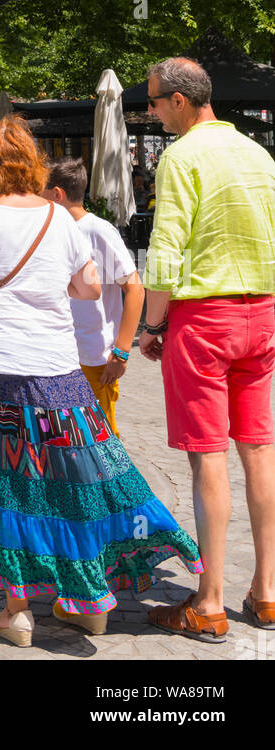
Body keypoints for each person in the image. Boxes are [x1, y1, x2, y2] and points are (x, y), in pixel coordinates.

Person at [0, 116, 202, 648]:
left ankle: (18, 612)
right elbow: (91, 287)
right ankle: (87, 602)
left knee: (13, 482)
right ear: (33, 163)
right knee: (76, 473)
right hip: (56, 368)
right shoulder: (59, 217)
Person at [140, 58, 275, 641]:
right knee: (260, 451)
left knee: (207, 457)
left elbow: (165, 248)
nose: (149, 112)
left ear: (178, 101)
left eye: (151, 102)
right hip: (261, 311)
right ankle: (267, 592)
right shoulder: (258, 154)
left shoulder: (182, 156)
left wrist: (150, 325)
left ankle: (211, 599)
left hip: (205, 318)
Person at [44, 157, 144, 436]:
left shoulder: (98, 231)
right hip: (62, 354)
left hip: (94, 359)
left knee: (100, 443)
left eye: (39, 191)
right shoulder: (54, 230)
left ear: (57, 194)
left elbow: (135, 287)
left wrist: (121, 352)